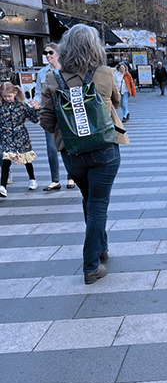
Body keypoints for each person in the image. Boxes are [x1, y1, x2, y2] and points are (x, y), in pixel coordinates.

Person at [40, 24, 129, 284]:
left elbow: (45, 118)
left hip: (73, 153)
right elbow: (116, 102)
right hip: (104, 149)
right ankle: (91, 266)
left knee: (88, 198)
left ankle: (100, 248)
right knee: (98, 203)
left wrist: (65, 134)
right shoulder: (104, 73)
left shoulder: (53, 78)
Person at [37, 42, 76, 191]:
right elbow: (38, 92)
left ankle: (71, 176)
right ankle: (55, 179)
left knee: (69, 145)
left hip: (66, 113)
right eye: (45, 53)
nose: (47, 55)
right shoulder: (43, 73)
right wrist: (36, 102)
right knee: (51, 147)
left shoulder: (67, 71)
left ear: (58, 54)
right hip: (49, 113)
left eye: (50, 52)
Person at [0, 82, 40, 197]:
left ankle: (32, 179)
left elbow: (34, 119)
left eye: (9, 96)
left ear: (15, 93)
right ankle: (3, 187)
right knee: (6, 160)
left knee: (27, 160)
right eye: (4, 96)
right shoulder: (1, 107)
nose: (7, 99)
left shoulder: (22, 106)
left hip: (21, 136)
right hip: (6, 137)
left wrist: (36, 110)